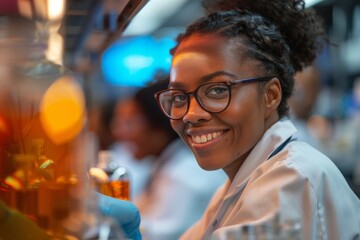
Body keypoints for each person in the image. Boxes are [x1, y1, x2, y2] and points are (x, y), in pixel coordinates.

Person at [152, 0, 360, 239]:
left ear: (270, 96)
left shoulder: (290, 180)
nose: (190, 114)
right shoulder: (239, 182)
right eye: (179, 97)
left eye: (217, 90)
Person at [111, 76, 226, 240]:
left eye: (130, 122)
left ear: (158, 124)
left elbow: (167, 236)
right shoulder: (167, 165)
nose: (119, 132)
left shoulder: (185, 173)